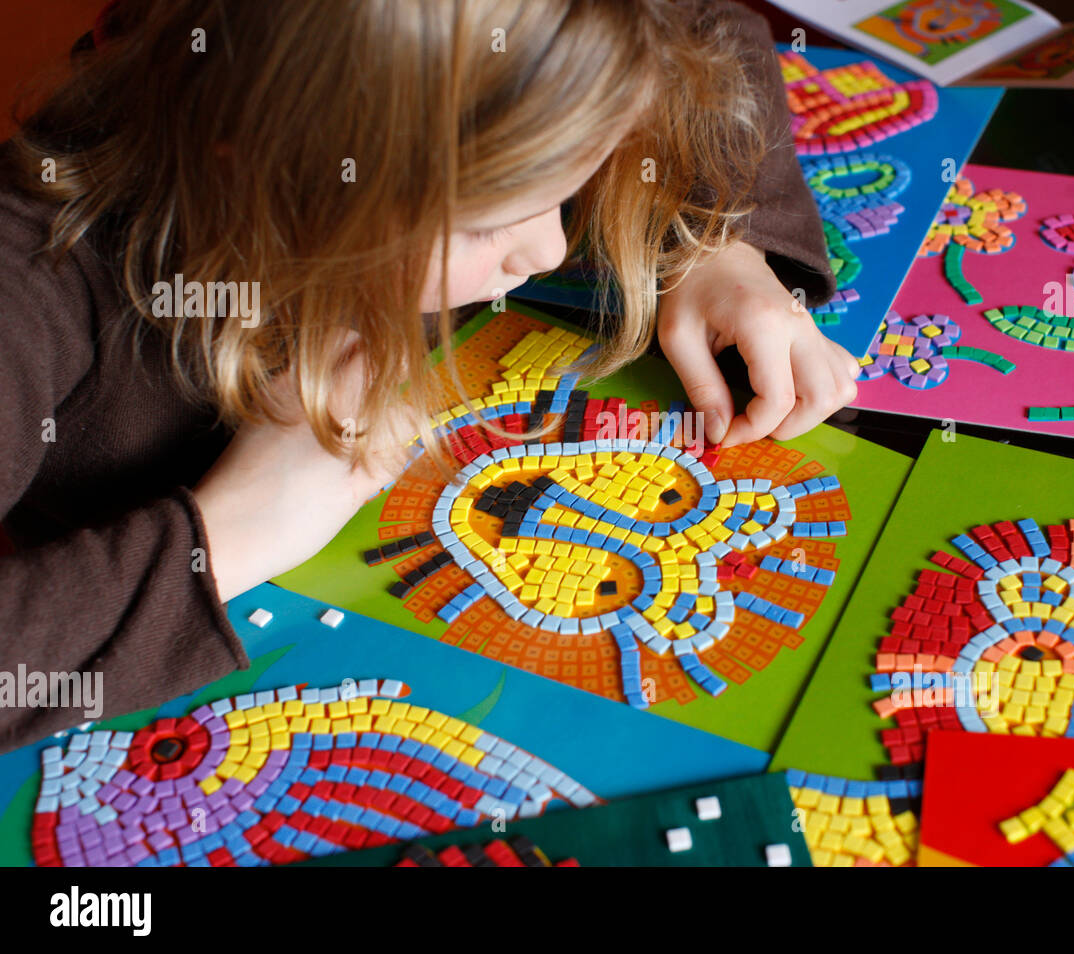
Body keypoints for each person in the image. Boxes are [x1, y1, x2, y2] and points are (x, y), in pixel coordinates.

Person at [0, 0, 856, 750]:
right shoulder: (33, 276)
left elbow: (707, 23)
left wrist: (718, 236)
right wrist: (231, 533)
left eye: (565, 191)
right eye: (492, 220)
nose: (547, 251)